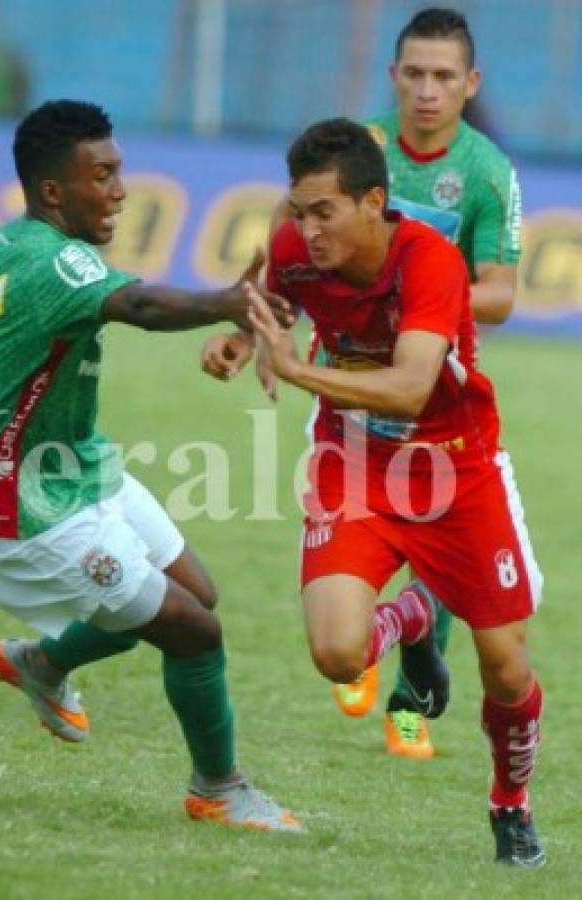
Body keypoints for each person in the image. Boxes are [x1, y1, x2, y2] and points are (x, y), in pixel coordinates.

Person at [0, 99, 301, 831]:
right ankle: (218, 790)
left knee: (195, 594)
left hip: (77, 472)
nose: (121, 189)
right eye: (104, 175)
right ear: (54, 191)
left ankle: (44, 664)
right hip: (22, 512)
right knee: (192, 631)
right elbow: (145, 307)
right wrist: (232, 301)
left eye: (120, 170)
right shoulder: (57, 262)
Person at [202, 7, 522, 759]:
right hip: (352, 393)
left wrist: (421, 306)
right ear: (393, 76)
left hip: (433, 372)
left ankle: (410, 705)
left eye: (444, 77)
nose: (427, 91)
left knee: (445, 545)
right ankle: (384, 635)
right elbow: (291, 248)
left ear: (469, 84)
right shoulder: (359, 146)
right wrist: (246, 334)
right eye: (414, 73)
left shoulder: (486, 171)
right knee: (349, 622)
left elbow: (502, 295)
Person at [245, 117, 544, 866]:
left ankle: (510, 804)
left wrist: (296, 370)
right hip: (353, 464)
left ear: (374, 201)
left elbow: (413, 388)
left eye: (324, 212)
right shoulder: (293, 251)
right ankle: (413, 620)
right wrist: (240, 336)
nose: (306, 230)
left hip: (455, 467)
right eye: (298, 209)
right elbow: (271, 298)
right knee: (339, 655)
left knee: (506, 667)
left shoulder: (431, 263)